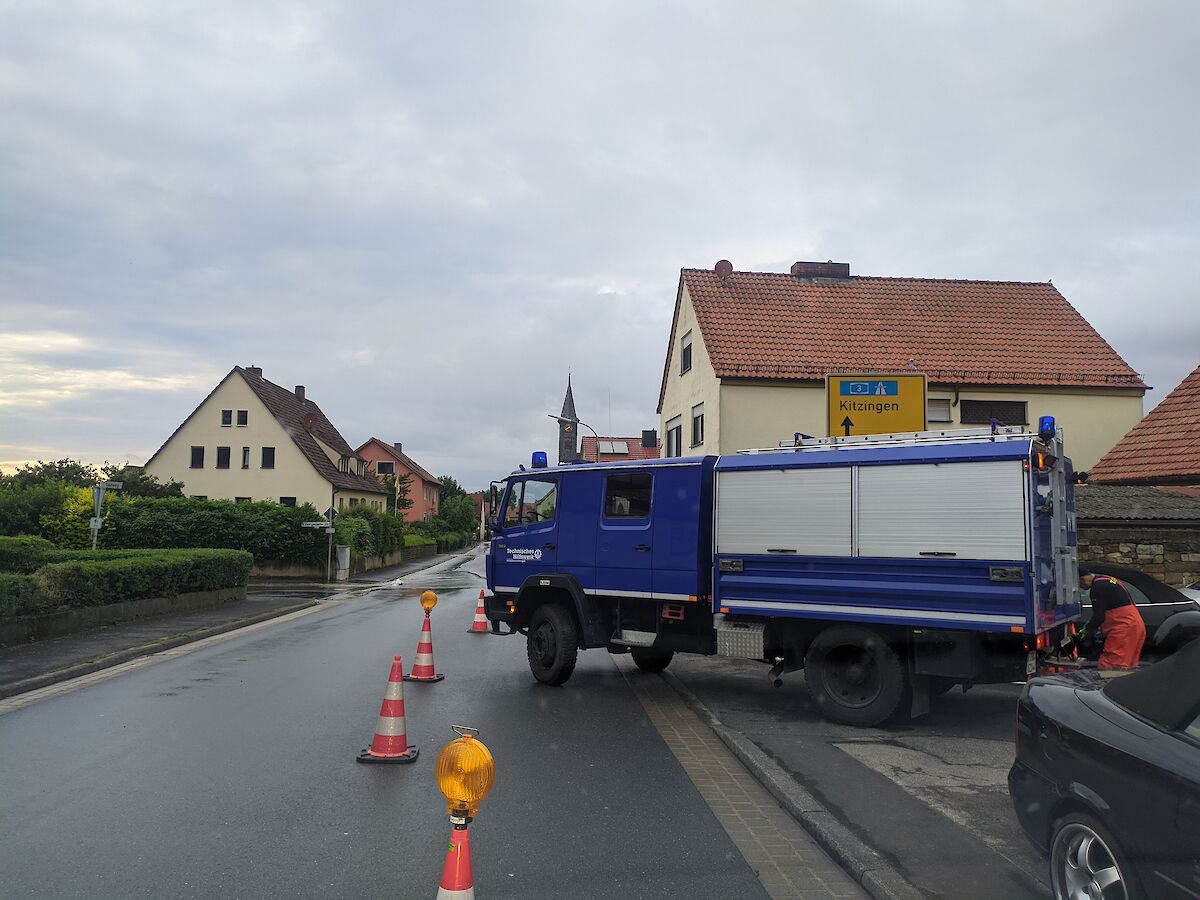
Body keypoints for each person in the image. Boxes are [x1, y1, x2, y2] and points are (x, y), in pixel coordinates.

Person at [1078, 566, 1146, 669]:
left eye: (1079, 584)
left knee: (1109, 666)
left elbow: (1098, 617)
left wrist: (1081, 634)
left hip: (1123, 629)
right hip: (1135, 626)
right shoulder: (1108, 579)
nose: (1080, 587)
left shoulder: (1097, 588)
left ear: (1082, 579)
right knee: (1128, 667)